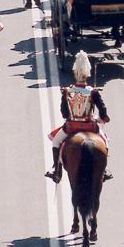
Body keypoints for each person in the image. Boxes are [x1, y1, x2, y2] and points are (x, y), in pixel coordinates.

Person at [46, 51, 111, 183]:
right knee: (104, 142)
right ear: (87, 73)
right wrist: (103, 118)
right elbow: (103, 111)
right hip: (90, 126)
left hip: (71, 127)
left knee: (56, 142)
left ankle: (56, 171)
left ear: (75, 73)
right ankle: (104, 170)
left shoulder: (67, 91)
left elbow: (64, 113)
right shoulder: (93, 91)